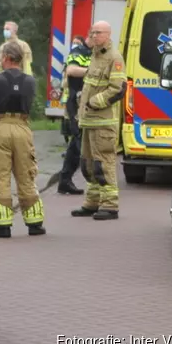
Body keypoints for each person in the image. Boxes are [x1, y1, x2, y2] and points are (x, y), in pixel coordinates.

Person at [0, 41, 46, 238]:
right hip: (22, 128)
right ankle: (34, 223)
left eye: (2, 57)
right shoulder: (30, 81)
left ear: (7, 58)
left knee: (0, 176)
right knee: (26, 174)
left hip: (0, 128)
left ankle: (3, 226)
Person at [71, 20, 126, 220]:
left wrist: (94, 102)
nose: (93, 36)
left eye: (97, 33)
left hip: (103, 122)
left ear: (107, 35)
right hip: (89, 120)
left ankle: (110, 205)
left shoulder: (114, 57)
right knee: (88, 164)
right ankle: (92, 202)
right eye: (91, 32)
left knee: (103, 164)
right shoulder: (94, 55)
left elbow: (117, 88)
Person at [58, 34, 92, 195]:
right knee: (80, 142)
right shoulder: (79, 51)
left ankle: (65, 180)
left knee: (75, 144)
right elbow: (71, 70)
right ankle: (92, 179)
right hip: (76, 102)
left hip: (86, 102)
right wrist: (92, 72)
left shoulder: (95, 52)